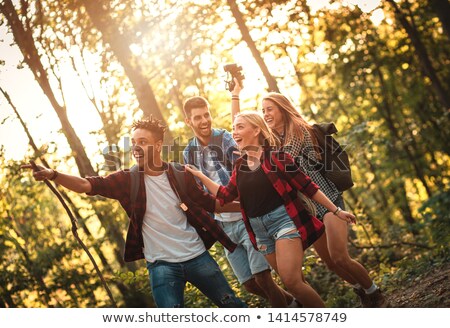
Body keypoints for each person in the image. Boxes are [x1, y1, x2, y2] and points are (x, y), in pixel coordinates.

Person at [22, 116, 246, 308]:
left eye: (143, 142)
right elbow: (85, 185)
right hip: (161, 265)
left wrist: (248, 207)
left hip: (197, 257)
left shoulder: (180, 173)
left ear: (158, 145)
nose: (136, 147)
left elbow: (212, 204)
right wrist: (53, 174)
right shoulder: (126, 180)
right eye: (134, 142)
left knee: (233, 307)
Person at [231, 83, 386, 307]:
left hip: (327, 200)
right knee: (331, 263)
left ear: (282, 109)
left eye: (269, 109)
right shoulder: (272, 141)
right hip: (309, 208)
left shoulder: (299, 131)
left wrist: (254, 144)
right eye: (262, 111)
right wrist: (240, 120)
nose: (265, 114)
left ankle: (373, 291)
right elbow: (242, 128)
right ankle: (360, 289)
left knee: (339, 256)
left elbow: (282, 160)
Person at [186, 111, 356, 308]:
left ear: (257, 129)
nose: (234, 132)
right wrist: (200, 175)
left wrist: (336, 211)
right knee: (290, 284)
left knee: (292, 281)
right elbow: (224, 195)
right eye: (233, 128)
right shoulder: (240, 165)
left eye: (240, 127)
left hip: (284, 222)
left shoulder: (277, 158)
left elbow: (308, 186)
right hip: (260, 232)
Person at [183, 96, 299, 307]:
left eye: (206, 115)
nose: (204, 121)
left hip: (247, 218)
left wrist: (238, 204)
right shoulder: (189, 152)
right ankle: (293, 304)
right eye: (197, 117)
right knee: (249, 284)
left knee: (263, 278)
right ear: (188, 121)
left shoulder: (226, 139)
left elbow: (245, 170)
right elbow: (198, 191)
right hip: (224, 225)